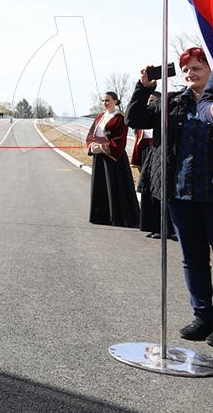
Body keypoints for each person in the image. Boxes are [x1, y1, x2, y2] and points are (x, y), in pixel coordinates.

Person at [130, 47, 213, 343]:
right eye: (187, 69)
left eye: (197, 68)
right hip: (181, 193)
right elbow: (135, 118)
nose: (191, 73)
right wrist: (144, 86)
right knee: (193, 258)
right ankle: (203, 316)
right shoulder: (174, 102)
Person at [86, 91, 139, 228]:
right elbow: (91, 134)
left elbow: (120, 140)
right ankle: (101, 216)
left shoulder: (120, 118)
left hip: (114, 159)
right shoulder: (99, 117)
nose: (105, 103)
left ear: (116, 101)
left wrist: (103, 147)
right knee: (101, 186)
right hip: (99, 157)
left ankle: (118, 217)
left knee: (114, 187)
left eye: (108, 100)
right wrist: (92, 145)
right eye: (103, 100)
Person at [130, 91, 170, 236]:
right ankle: (153, 226)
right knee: (148, 190)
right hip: (149, 153)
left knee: (160, 191)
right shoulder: (146, 118)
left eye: (152, 100)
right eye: (148, 101)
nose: (149, 103)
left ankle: (165, 228)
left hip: (160, 151)